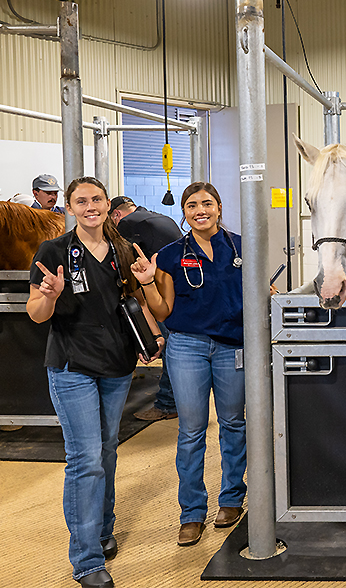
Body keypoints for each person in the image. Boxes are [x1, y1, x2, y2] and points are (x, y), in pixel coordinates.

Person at [27, 177, 164, 588]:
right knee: (85, 459)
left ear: (109, 205)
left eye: (98, 199)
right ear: (69, 207)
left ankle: (102, 532)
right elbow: (36, 312)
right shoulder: (52, 252)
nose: (91, 206)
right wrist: (49, 295)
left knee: (106, 453)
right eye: (81, 200)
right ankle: (87, 560)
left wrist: (153, 330)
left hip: (118, 365)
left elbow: (134, 303)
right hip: (72, 366)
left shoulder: (122, 250)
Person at [130, 182, 247, 547]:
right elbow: (162, 309)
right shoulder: (168, 255)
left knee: (233, 423)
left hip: (233, 347)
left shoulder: (243, 246)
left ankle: (231, 499)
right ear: (184, 211)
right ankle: (192, 512)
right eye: (192, 205)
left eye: (207, 203)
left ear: (219, 206)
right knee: (192, 431)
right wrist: (148, 283)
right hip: (187, 348)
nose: (200, 210)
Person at [109, 195, 182, 421]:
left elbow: (123, 263)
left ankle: (167, 404)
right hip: (179, 289)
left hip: (160, 293)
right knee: (175, 347)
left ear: (116, 215)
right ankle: (176, 402)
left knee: (169, 347)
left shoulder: (128, 224)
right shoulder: (161, 218)